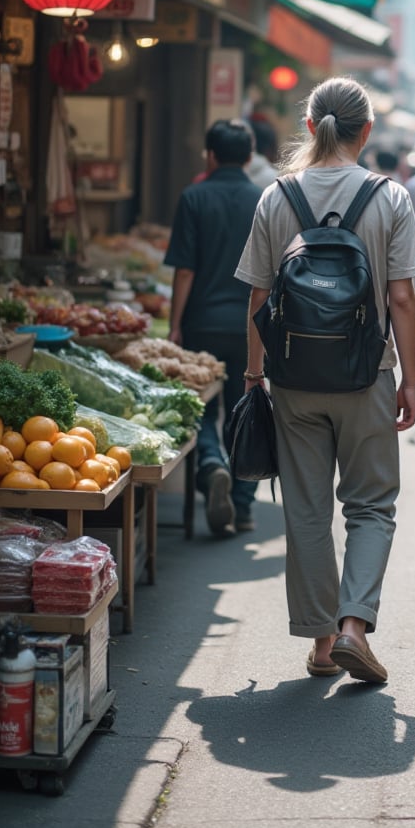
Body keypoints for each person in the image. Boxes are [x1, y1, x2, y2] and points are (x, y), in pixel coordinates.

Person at [235, 76, 415, 683]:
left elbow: (260, 298)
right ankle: (352, 628)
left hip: (293, 378)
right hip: (367, 374)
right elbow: (402, 299)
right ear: (365, 131)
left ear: (310, 124)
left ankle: (320, 647)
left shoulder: (277, 195)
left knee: (308, 510)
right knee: (371, 505)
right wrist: (410, 378)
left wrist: (253, 375)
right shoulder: (389, 197)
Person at [165, 119, 262, 536]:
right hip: (250, 325)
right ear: (249, 155)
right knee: (245, 408)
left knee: (201, 403)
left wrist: (174, 326)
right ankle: (242, 505)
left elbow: (184, 270)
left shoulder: (193, 197)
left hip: (202, 321)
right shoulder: (264, 199)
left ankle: (209, 462)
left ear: (210, 154)